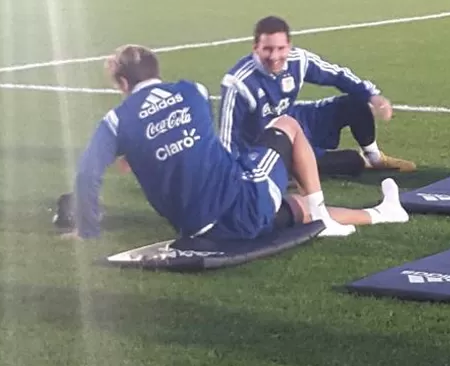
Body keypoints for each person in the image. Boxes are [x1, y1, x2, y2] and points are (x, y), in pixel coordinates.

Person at [61, 44, 409, 241]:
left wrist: (88, 230)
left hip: (201, 228)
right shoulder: (192, 90)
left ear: (122, 83)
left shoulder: (117, 121)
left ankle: (382, 213)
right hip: (241, 203)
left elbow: (87, 175)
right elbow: (191, 137)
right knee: (286, 125)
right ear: (156, 71)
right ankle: (333, 216)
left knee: (295, 207)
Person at [217, 15, 416, 177]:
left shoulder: (299, 60)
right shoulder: (238, 83)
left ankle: (375, 158)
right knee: (350, 162)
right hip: (268, 146)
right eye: (267, 49)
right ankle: (290, 172)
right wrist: (236, 175)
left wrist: (372, 96)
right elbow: (227, 141)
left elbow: (338, 75)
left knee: (356, 101)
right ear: (255, 48)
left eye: (281, 48)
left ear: (289, 46)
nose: (275, 56)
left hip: (297, 122)